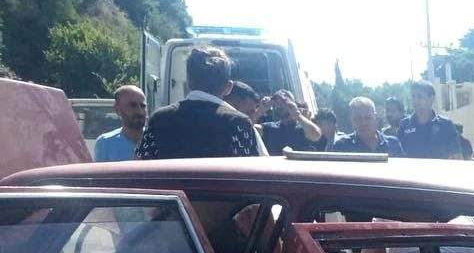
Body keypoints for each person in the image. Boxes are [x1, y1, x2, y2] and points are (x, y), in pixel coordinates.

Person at [136, 47, 265, 159]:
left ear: (188, 82)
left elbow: (140, 165)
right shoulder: (238, 123)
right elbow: (251, 172)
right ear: (228, 87)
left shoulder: (159, 118)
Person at [395, 80, 461, 159]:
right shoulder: (404, 125)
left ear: (431, 98)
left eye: (420, 96)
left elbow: (456, 156)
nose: (416, 101)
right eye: (413, 96)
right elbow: (397, 156)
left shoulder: (446, 125)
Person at [258, 89, 326, 154]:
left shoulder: (303, 128)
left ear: (293, 104)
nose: (279, 106)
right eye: (276, 103)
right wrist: (259, 111)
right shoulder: (269, 128)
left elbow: (316, 135)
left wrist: (298, 116)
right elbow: (252, 130)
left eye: (284, 102)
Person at [330, 96, 403, 156]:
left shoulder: (393, 144)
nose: (363, 123)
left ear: (375, 117)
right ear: (351, 120)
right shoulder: (342, 146)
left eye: (368, 118)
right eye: (358, 119)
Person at [93, 85, 147, 162]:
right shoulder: (105, 143)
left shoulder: (157, 140)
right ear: (117, 110)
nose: (139, 111)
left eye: (143, 106)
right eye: (132, 105)